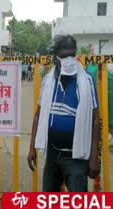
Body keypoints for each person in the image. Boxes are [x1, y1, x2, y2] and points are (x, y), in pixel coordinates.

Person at [27, 35, 100, 192]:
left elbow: (95, 121)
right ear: (55, 58)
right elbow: (38, 115)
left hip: (76, 159)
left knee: (78, 205)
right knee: (49, 203)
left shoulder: (87, 81)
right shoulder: (47, 81)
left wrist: (94, 157)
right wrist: (32, 147)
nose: (68, 59)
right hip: (52, 156)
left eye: (71, 55)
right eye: (64, 55)